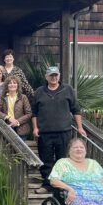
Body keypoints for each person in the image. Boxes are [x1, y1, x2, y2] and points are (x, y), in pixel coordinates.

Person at [32, 66, 86, 194]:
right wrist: (35, 128)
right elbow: (34, 113)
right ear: (46, 77)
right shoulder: (39, 91)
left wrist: (80, 127)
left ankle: (62, 185)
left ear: (59, 76)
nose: (54, 77)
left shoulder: (68, 90)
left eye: (56, 75)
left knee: (63, 159)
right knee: (46, 160)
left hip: (64, 131)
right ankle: (47, 185)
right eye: (51, 75)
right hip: (45, 132)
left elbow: (76, 110)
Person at [0, 76, 33, 141]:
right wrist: (7, 117)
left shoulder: (23, 97)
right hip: (7, 127)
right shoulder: (2, 97)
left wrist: (17, 121)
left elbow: (29, 113)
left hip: (21, 129)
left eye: (14, 83)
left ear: (18, 85)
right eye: (10, 83)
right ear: (7, 85)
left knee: (21, 150)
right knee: (7, 150)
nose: (12, 85)